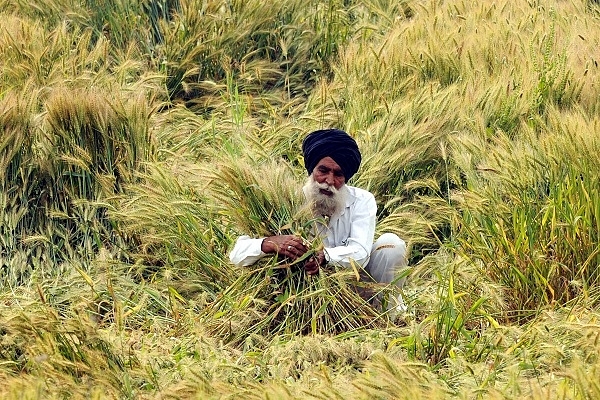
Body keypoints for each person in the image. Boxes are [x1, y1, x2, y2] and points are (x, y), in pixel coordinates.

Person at [229, 128, 408, 314]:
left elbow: (361, 253)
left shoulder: (362, 200)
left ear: (346, 178)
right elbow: (236, 254)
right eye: (323, 170)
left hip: (357, 290)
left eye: (338, 174)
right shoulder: (287, 199)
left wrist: (325, 257)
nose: (329, 181)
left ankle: (387, 317)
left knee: (391, 245)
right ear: (311, 169)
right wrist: (268, 243)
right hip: (302, 298)